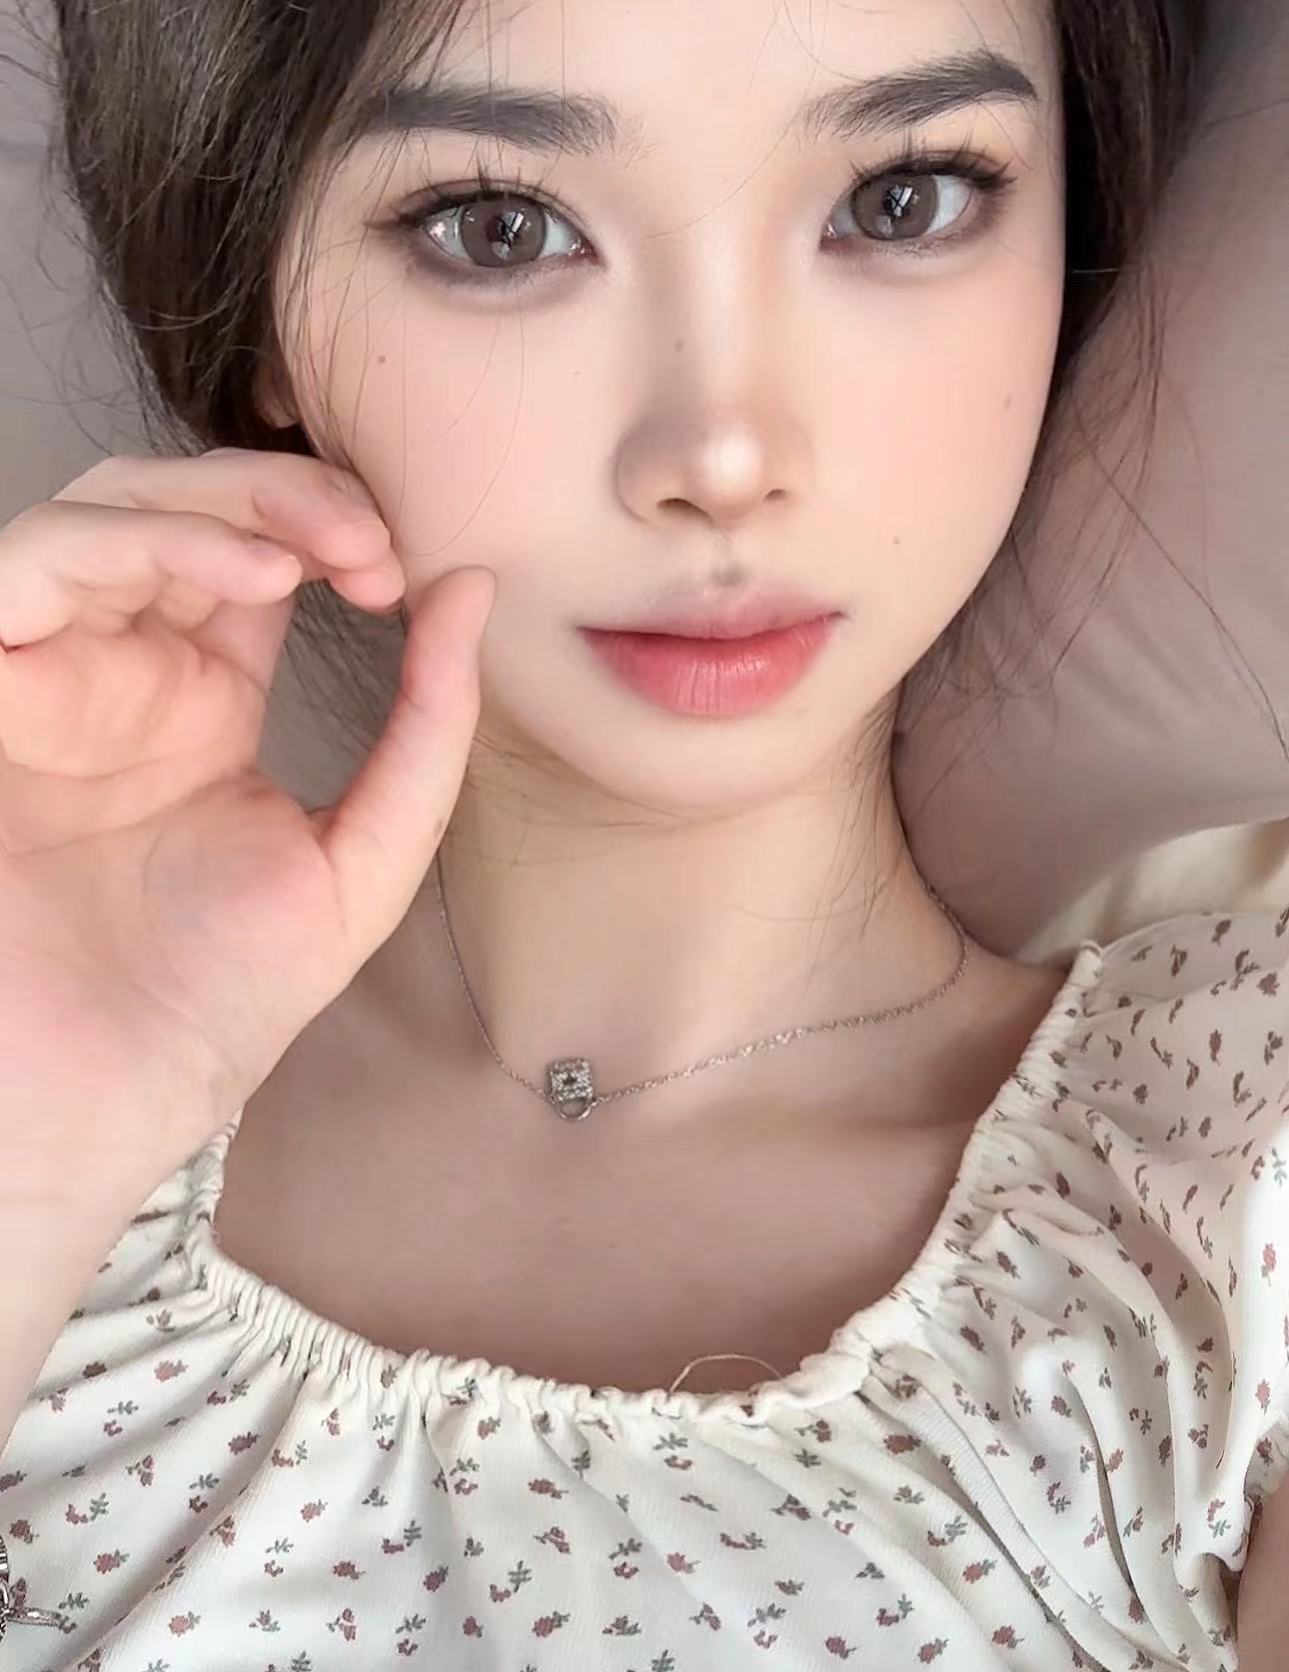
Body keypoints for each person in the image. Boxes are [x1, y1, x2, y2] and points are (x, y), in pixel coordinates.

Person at [0, 0, 1284, 1666]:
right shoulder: (44, 1069)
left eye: (900, 199)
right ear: (267, 322)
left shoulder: (1227, 1179)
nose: (722, 456)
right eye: (500, 228)